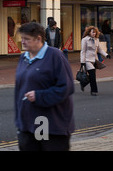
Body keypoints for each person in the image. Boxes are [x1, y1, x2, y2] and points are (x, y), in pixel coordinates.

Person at [14, 22, 74, 151]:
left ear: (39, 39)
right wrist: (19, 120)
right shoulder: (23, 57)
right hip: (27, 124)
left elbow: (66, 88)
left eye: (27, 39)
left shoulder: (55, 56)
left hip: (49, 124)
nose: (22, 42)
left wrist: (39, 96)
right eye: (22, 38)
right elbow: (19, 90)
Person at [80, 26, 110, 96]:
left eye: (95, 32)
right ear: (89, 32)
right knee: (92, 75)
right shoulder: (85, 40)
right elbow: (83, 51)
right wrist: (82, 62)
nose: (94, 34)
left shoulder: (96, 39)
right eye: (92, 32)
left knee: (91, 76)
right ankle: (94, 90)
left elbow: (99, 49)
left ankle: (83, 83)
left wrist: (106, 55)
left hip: (94, 60)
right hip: (87, 60)